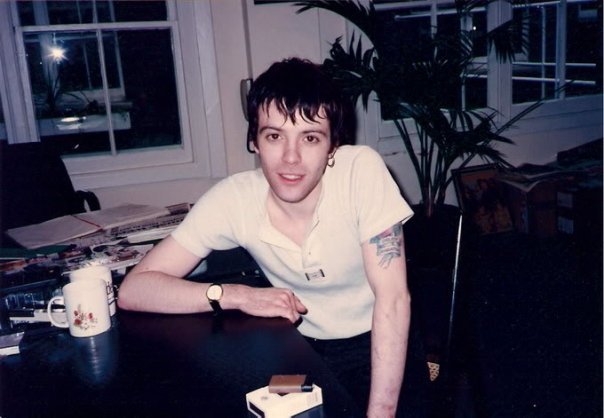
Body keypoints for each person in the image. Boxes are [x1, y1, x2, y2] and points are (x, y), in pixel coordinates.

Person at [118, 57, 413, 417]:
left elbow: (393, 299)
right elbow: (134, 290)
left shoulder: (360, 172)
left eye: (310, 138)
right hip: (297, 349)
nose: (291, 158)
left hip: (380, 348)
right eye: (274, 136)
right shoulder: (234, 198)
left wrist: (381, 413)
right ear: (254, 142)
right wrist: (237, 295)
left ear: (333, 145)